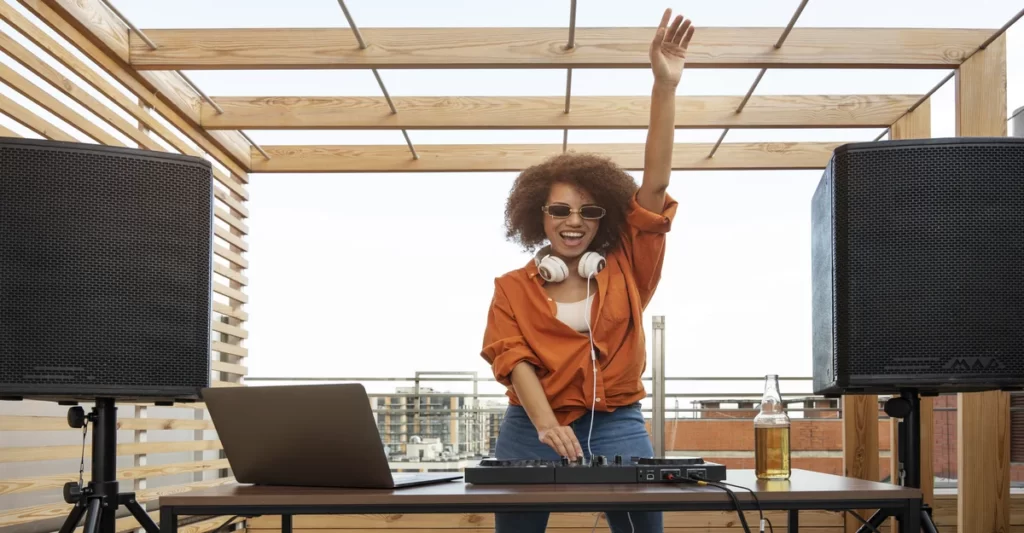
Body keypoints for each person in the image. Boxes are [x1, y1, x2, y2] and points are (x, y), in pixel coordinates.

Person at [479, 8, 695, 533]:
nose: (574, 222)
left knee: (645, 530)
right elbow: (513, 359)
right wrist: (547, 426)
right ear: (539, 216)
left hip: (617, 420)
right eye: (560, 210)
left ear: (603, 221)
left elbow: (656, 185)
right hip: (532, 424)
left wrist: (663, 87)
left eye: (588, 211)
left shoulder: (628, 268)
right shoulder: (511, 288)